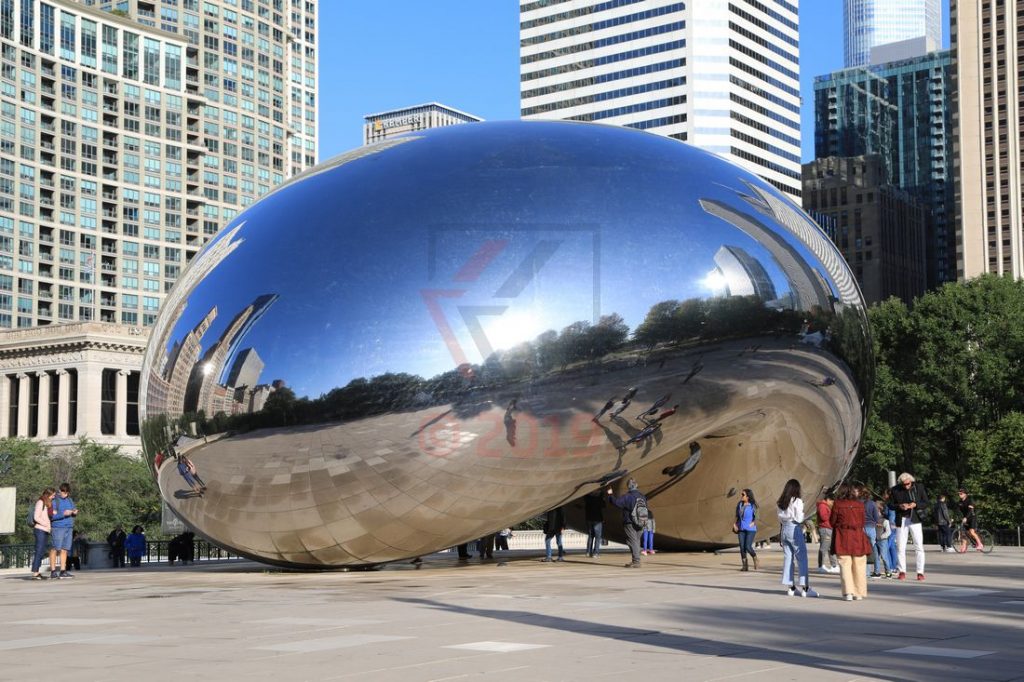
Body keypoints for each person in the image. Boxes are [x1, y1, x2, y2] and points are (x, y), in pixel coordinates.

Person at [831, 483, 873, 601]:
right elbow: (862, 521)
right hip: (858, 536)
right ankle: (859, 593)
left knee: (845, 565)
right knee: (859, 565)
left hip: (843, 536)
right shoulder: (859, 504)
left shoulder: (838, 504)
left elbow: (832, 521)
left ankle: (848, 592)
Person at [776, 479, 817, 597]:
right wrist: (803, 513)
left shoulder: (780, 502)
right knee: (802, 558)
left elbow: (779, 518)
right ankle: (805, 588)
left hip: (784, 528)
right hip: (794, 528)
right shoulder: (797, 501)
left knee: (788, 558)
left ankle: (791, 587)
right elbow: (799, 519)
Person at [888, 472, 930, 580]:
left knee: (919, 546)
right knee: (900, 547)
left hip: (915, 519)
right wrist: (900, 506)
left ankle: (920, 572)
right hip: (901, 519)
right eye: (904, 484)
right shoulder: (895, 489)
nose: (906, 486)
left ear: (911, 481)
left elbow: (926, 502)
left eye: (908, 483)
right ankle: (902, 571)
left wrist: (916, 505)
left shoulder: (919, 487)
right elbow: (890, 505)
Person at [607, 478, 645, 568]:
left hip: (630, 522)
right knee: (636, 541)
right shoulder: (642, 496)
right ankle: (637, 559)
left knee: (632, 541)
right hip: (642, 522)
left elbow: (616, 503)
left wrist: (610, 494)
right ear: (636, 485)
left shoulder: (628, 497)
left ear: (628, 486)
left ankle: (636, 561)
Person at [50, 483, 78, 579]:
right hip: (58, 527)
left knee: (65, 549)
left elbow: (73, 511)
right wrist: (63, 514)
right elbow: (51, 516)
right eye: (61, 491)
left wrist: (74, 512)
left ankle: (63, 570)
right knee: (55, 548)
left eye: (65, 492)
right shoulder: (54, 501)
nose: (63, 493)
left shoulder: (70, 500)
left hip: (69, 527)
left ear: (68, 492)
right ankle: (53, 571)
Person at [29, 488, 56, 580]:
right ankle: (35, 573)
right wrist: (46, 524)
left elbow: (46, 515)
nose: (54, 496)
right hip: (40, 530)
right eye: (53, 495)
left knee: (42, 551)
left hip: (45, 530)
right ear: (48, 494)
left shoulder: (47, 503)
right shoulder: (40, 502)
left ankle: (37, 572)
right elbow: (36, 517)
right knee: (39, 551)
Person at [733, 488, 758, 571]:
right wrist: (735, 524)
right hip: (741, 529)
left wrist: (753, 522)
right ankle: (745, 566)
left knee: (747, 546)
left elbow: (757, 516)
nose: (741, 496)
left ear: (748, 497)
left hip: (750, 529)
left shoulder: (753, 505)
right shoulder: (740, 504)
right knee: (742, 547)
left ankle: (754, 557)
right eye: (741, 494)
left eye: (743, 495)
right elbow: (737, 516)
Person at [816, 492, 839, 574]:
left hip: (829, 528)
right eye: (832, 502)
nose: (832, 503)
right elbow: (823, 517)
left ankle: (834, 565)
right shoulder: (822, 506)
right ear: (828, 500)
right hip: (825, 528)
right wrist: (831, 514)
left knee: (830, 548)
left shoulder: (825, 506)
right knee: (824, 548)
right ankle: (820, 565)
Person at [957, 488, 984, 552]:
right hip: (965, 519)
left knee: (972, 532)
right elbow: (957, 511)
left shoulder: (969, 501)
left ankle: (980, 544)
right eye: (959, 493)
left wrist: (966, 518)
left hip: (972, 517)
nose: (960, 495)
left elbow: (970, 511)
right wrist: (955, 518)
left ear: (965, 494)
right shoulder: (959, 502)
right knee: (963, 533)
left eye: (961, 493)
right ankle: (964, 546)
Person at [862, 489, 882, 579]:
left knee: (863, 550)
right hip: (871, 527)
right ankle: (876, 570)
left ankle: (866, 572)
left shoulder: (859, 503)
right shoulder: (872, 504)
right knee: (873, 550)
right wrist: (877, 522)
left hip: (862, 528)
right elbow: (876, 517)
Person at [875, 501, 893, 577]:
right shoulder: (873, 519)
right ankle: (877, 572)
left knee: (884, 556)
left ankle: (888, 572)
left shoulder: (885, 520)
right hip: (875, 540)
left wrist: (882, 536)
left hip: (882, 540)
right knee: (876, 557)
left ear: (879, 509)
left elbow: (888, 532)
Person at [584, 490, 604, 558]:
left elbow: (585, 496)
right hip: (597, 519)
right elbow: (604, 505)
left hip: (589, 519)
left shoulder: (588, 499)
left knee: (590, 536)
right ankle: (596, 553)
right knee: (598, 537)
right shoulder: (599, 499)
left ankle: (588, 552)